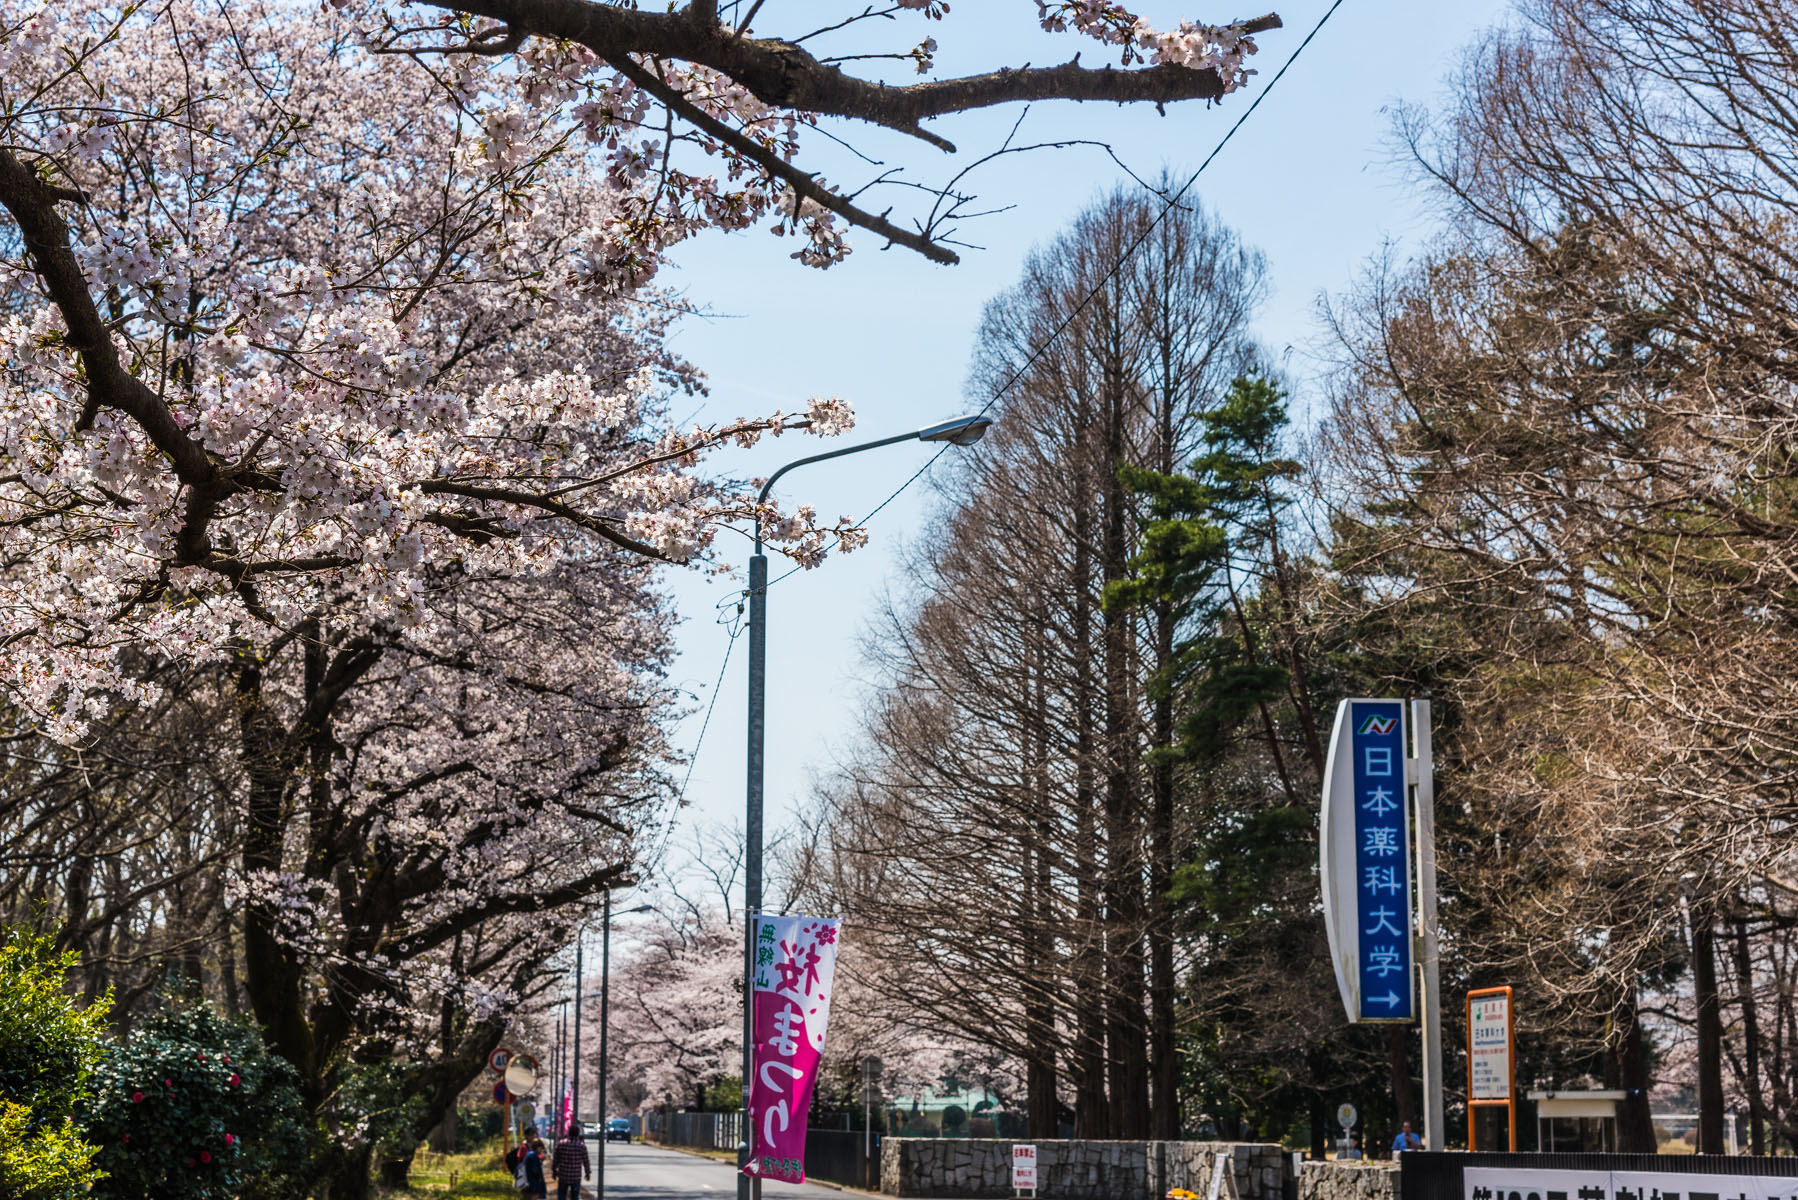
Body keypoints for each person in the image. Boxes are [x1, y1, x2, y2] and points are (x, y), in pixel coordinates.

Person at [551, 1123, 592, 1200]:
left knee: (562, 1195)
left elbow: (555, 1159)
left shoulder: (561, 1144)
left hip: (563, 1175)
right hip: (575, 1176)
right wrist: (587, 1173)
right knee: (575, 1196)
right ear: (577, 1134)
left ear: (568, 1133)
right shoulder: (581, 1146)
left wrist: (554, 1171)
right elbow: (586, 1161)